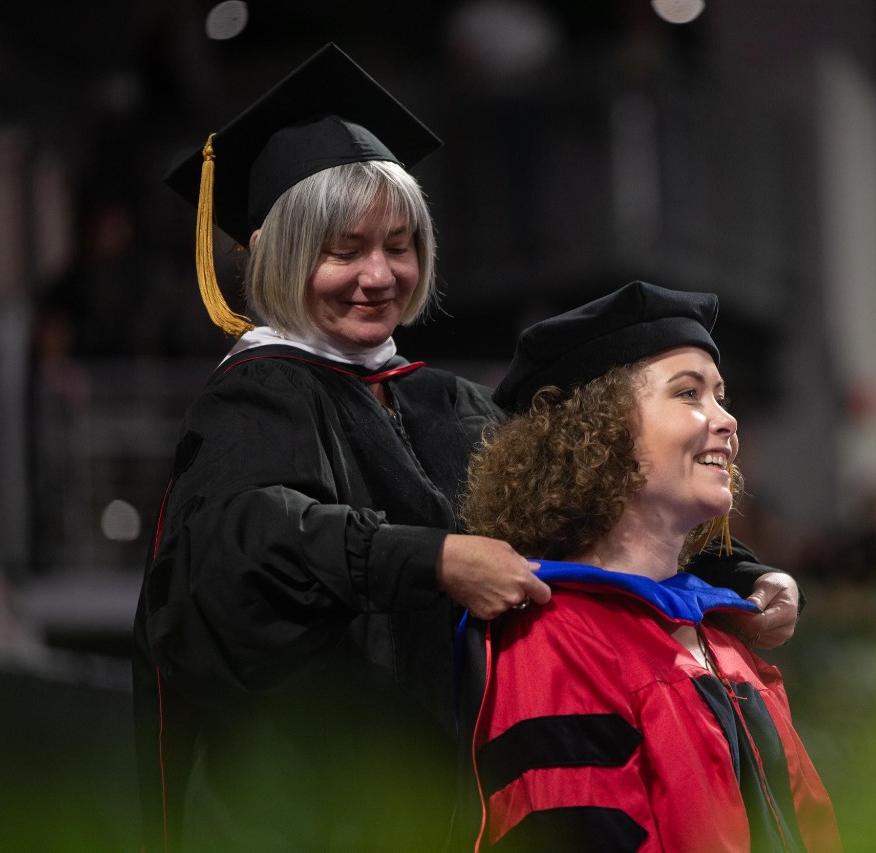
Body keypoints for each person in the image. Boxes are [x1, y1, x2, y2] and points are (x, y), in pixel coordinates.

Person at [132, 45, 802, 852]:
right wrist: (435, 559)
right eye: (346, 250)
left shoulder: (445, 401)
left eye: (400, 245)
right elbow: (240, 549)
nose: (379, 275)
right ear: (284, 255)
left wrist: (738, 574)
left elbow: (582, 505)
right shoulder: (255, 398)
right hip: (299, 813)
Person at [459, 281, 840, 851]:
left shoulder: (726, 638)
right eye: (689, 395)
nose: (726, 419)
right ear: (601, 433)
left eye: (720, 395)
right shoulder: (553, 642)